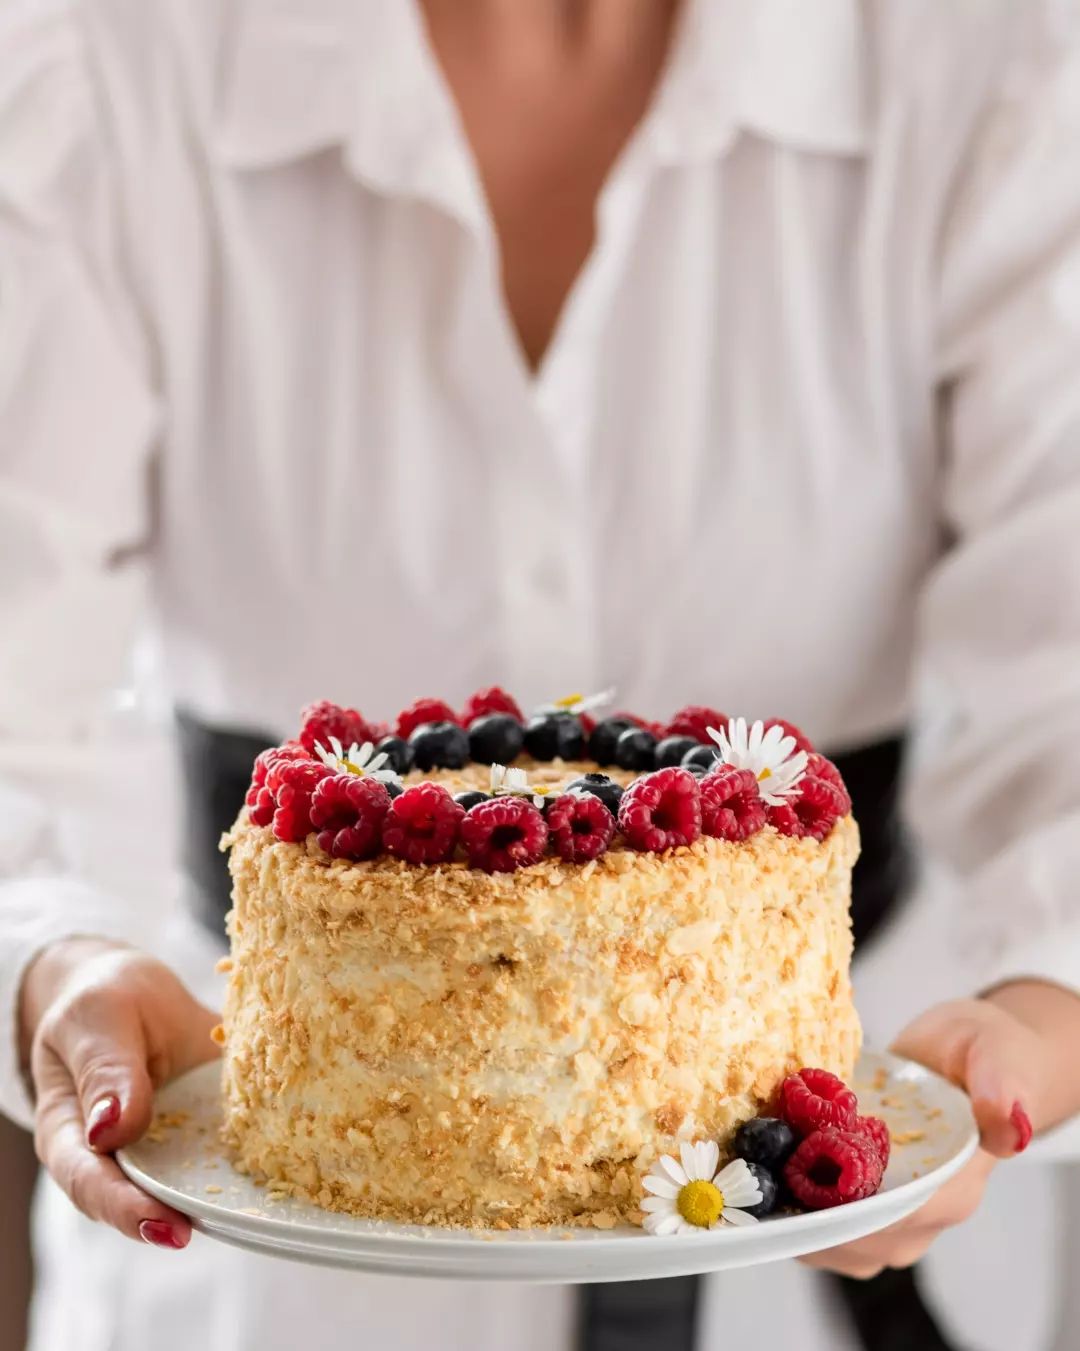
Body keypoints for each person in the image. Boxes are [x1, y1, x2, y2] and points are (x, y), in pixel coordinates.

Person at [3, 1, 1080, 1349]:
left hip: (828, 1283)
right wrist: (56, 956)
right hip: (266, 1277)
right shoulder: (99, 61)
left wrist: (1038, 1017)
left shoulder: (994, 59)